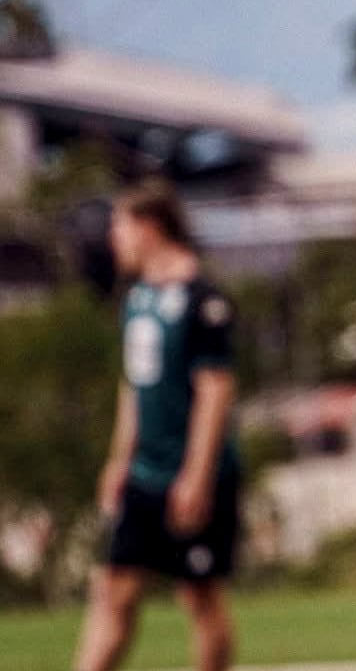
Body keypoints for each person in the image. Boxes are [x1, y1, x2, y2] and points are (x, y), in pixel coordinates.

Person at [73, 181, 241, 671]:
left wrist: (196, 475)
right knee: (113, 590)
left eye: (120, 227)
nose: (114, 240)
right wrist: (119, 460)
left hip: (191, 473)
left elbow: (214, 392)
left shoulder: (203, 298)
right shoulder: (138, 299)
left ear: (149, 228)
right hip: (144, 474)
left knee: (199, 598)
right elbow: (135, 386)